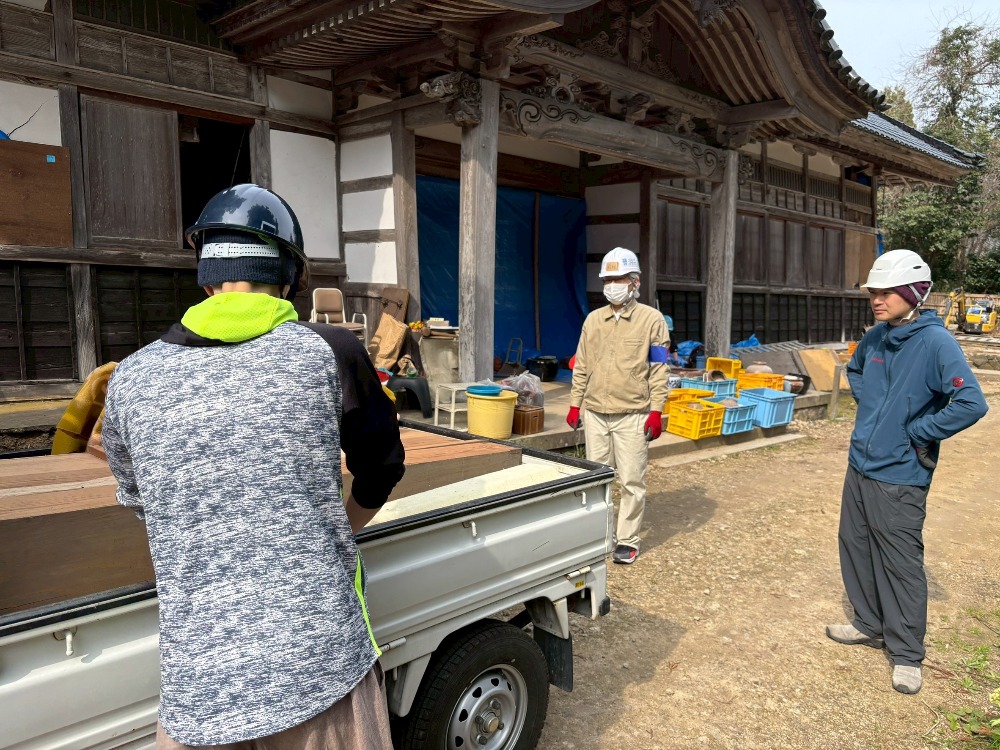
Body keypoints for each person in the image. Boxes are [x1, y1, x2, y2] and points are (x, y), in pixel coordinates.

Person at [102, 184, 405, 749]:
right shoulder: (330, 351)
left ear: (206, 277)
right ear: (290, 276)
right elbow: (383, 466)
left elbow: (144, 501)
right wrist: (335, 529)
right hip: (321, 672)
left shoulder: (130, 378)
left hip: (197, 692)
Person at [826, 248, 987, 695]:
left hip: (900, 474)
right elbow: (856, 370)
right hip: (860, 464)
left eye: (887, 292)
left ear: (914, 293)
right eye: (873, 293)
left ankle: (907, 654)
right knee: (855, 546)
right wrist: (873, 412)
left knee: (899, 563)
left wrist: (917, 430)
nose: (877, 300)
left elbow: (972, 402)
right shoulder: (877, 336)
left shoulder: (936, 343)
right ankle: (868, 623)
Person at [566, 247, 670, 565]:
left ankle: (627, 540)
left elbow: (659, 368)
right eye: (608, 280)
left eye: (619, 279)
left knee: (632, 480)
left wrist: (656, 410)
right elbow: (581, 364)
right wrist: (575, 403)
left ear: (634, 282)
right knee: (595, 479)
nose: (612, 285)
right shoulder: (593, 320)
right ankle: (600, 536)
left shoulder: (652, 320)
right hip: (596, 413)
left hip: (633, 414)